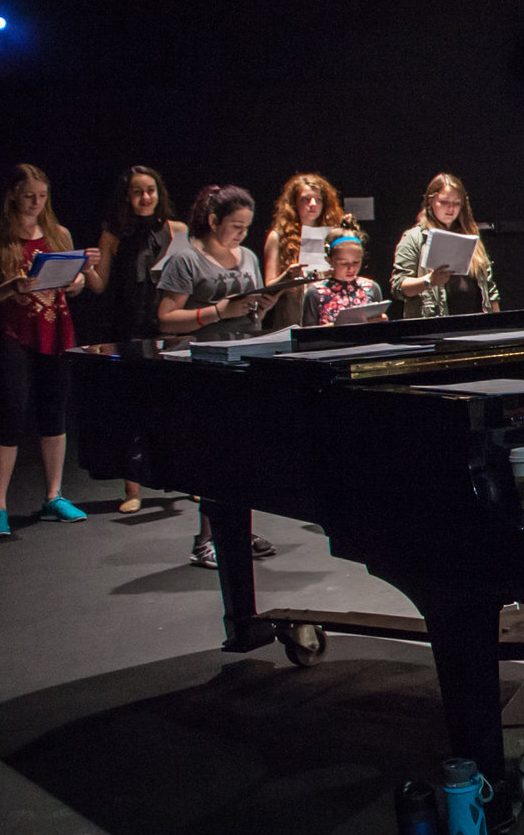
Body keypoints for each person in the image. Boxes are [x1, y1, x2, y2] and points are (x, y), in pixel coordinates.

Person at [157, 185, 275, 569]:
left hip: (243, 361)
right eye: (235, 226)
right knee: (214, 453)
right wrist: (217, 312)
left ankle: (237, 527)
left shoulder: (249, 257)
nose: (241, 234)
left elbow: (252, 315)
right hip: (203, 366)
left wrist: (263, 306)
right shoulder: (187, 259)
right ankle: (206, 539)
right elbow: (165, 318)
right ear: (213, 221)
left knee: (246, 450)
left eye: (246, 227)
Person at [0, 165, 90, 536]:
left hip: (55, 329)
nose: (36, 203)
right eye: (29, 196)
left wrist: (78, 282)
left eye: (42, 196)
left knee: (54, 409)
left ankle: (54, 495)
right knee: (11, 409)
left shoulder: (58, 234)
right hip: (15, 332)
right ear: (12, 195)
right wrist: (14, 285)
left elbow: (72, 278)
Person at [84, 165, 184, 511]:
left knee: (175, 407)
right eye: (138, 192)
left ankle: (188, 478)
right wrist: (86, 267)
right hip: (128, 325)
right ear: (127, 196)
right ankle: (133, 489)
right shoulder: (113, 234)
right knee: (130, 408)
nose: (146, 198)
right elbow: (99, 285)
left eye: (151, 191)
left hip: (169, 325)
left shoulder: (177, 229)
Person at [393, 173, 500, 319]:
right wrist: (428, 281)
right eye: (444, 202)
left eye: (456, 203)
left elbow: (490, 290)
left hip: (476, 323)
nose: (451, 208)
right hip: (435, 326)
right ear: (431, 201)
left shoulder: (470, 235)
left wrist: (497, 327)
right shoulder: (413, 237)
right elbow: (399, 287)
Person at [258, 173, 345, 330]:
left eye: (318, 200)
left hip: (328, 315)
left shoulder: (334, 234)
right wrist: (288, 277)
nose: (313, 204)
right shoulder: (278, 237)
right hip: (293, 318)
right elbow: (269, 286)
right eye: (306, 199)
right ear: (294, 203)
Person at [302, 230, 384, 326]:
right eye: (344, 263)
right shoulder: (316, 292)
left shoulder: (371, 288)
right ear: (329, 260)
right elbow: (307, 334)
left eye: (356, 262)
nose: (351, 268)